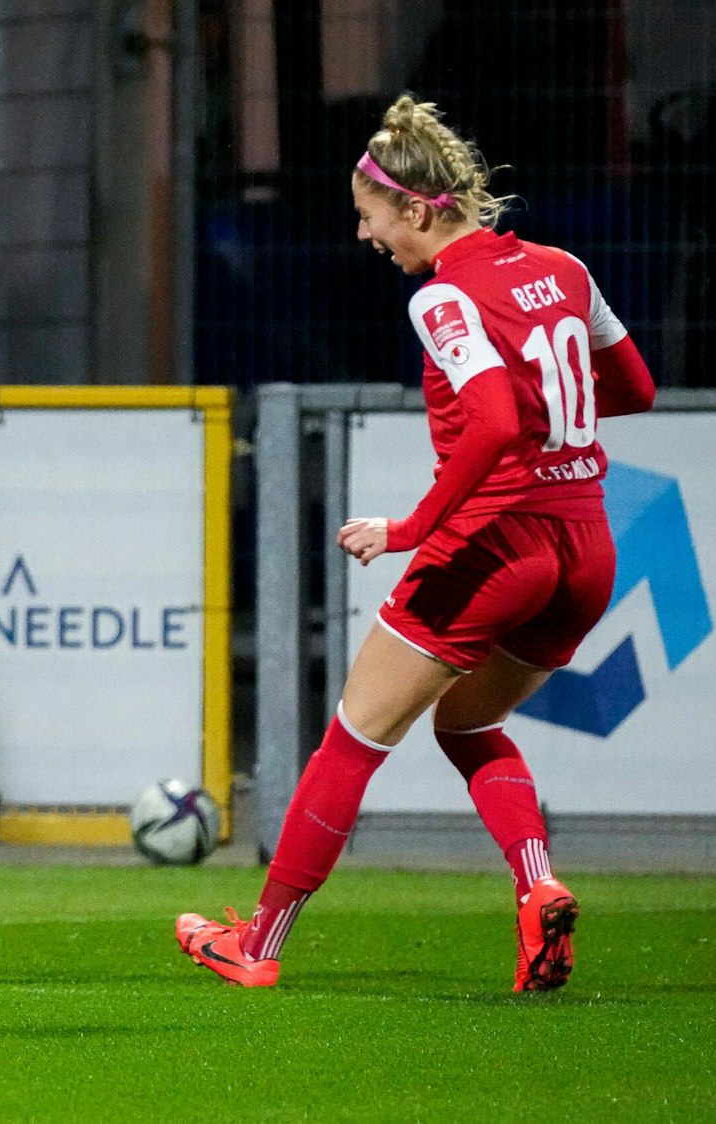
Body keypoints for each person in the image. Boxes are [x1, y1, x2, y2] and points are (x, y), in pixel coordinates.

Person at [176, 97, 656, 991]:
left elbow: (494, 420)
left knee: (352, 741)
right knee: (469, 721)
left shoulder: (442, 297)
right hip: (585, 547)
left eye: (370, 217)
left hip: (495, 547)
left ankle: (258, 947)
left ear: (420, 210)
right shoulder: (565, 268)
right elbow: (635, 386)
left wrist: (409, 528)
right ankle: (537, 885)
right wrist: (557, 422)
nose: (366, 236)